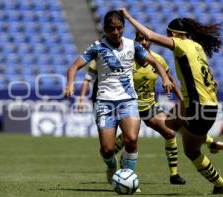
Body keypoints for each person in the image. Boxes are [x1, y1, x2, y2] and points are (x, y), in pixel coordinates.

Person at [79, 30, 223, 186]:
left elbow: (171, 80)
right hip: (128, 105)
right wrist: (83, 97)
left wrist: (182, 99)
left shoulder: (157, 59)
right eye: (139, 39)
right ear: (134, 40)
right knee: (112, 149)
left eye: (145, 39)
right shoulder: (125, 56)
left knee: (170, 132)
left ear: (150, 42)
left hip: (149, 107)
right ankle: (114, 166)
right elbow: (91, 76)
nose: (142, 42)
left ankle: (174, 174)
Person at [118, 8, 223, 194]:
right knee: (171, 123)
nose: (168, 37)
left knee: (190, 151)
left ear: (175, 34)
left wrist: (128, 16)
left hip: (198, 108)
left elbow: (149, 35)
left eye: (169, 34)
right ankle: (209, 142)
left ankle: (221, 185)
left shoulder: (181, 44)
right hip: (206, 104)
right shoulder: (197, 47)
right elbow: (209, 76)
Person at [64, 10, 173, 185]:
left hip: (128, 101)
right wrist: (70, 83)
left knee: (131, 139)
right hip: (105, 103)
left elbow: (156, 63)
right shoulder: (97, 47)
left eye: (119, 28)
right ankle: (111, 166)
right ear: (105, 29)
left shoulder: (133, 45)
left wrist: (166, 78)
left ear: (123, 28)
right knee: (107, 150)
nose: (116, 33)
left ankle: (128, 178)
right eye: (112, 29)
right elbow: (73, 67)